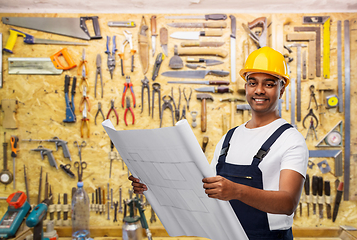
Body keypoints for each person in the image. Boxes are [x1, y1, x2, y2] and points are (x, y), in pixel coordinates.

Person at [129, 46, 308, 240]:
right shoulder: (229, 138)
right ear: (246, 87)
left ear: (282, 89)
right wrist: (152, 186)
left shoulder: (290, 139)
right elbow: (205, 193)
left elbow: (287, 203)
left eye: (269, 84)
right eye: (252, 82)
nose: (259, 90)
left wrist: (237, 191)